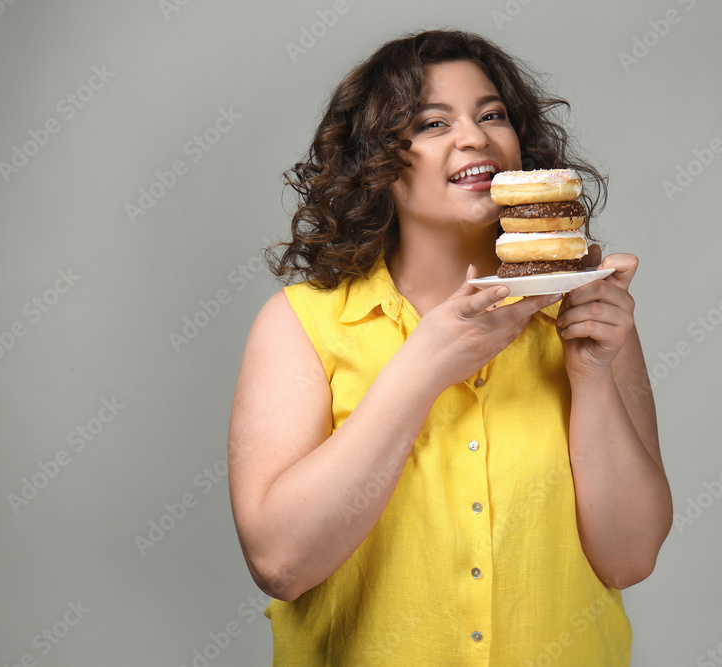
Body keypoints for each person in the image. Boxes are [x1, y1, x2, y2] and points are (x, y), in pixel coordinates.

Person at [227, 29, 672, 666]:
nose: (475, 137)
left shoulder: (586, 316)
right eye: (433, 123)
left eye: (492, 115)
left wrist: (593, 374)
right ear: (376, 160)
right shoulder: (300, 325)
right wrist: (424, 367)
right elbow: (280, 564)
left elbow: (630, 559)